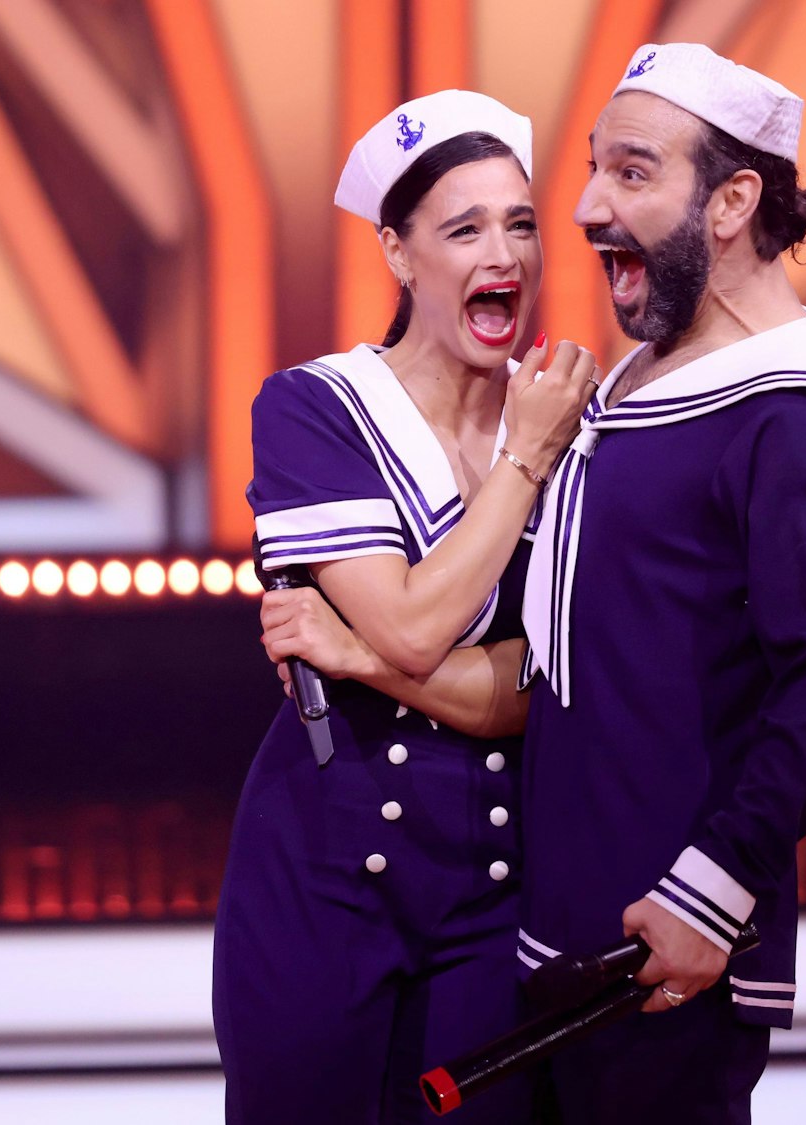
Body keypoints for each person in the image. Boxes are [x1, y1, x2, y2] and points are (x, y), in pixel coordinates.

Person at [263, 45, 806, 1123]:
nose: (588, 208)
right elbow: (561, 673)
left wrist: (714, 891)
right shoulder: (632, 384)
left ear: (733, 199)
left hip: (659, 959)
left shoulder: (791, 415)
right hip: (550, 951)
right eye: (594, 171)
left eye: (633, 174)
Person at [214, 89, 599, 1124]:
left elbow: (538, 691)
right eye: (462, 228)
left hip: (499, 877)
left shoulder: (577, 423)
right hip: (325, 872)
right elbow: (420, 627)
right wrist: (526, 459)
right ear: (396, 252)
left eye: (519, 223)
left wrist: (354, 653)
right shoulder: (316, 406)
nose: (501, 253)